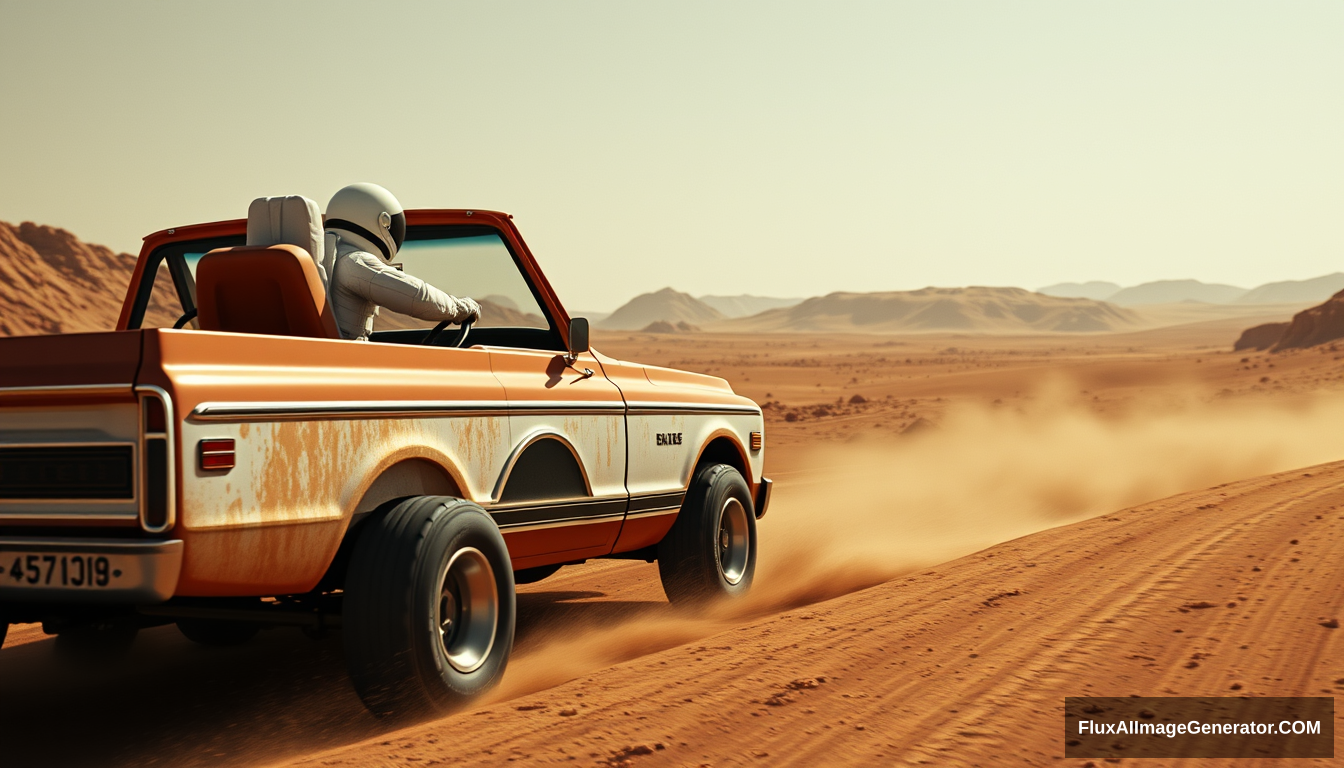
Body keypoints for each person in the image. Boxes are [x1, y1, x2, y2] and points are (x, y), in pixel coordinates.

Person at [321, 182, 480, 341]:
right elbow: (417, 297)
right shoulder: (354, 261)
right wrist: (460, 307)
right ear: (384, 222)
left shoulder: (329, 256)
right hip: (350, 358)